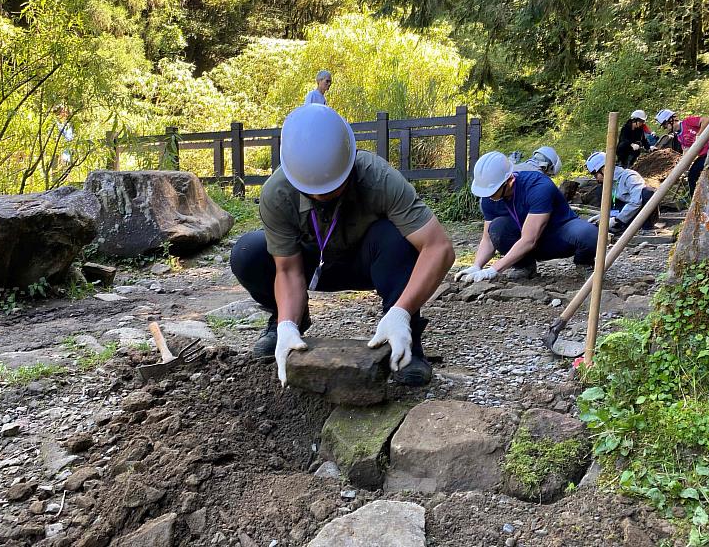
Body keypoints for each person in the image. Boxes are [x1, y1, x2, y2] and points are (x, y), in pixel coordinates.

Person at [230, 104, 455, 388]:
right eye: (311, 192)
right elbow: (287, 270)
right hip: (313, 267)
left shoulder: (378, 177)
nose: (322, 196)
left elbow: (438, 248)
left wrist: (401, 312)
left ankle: (406, 340)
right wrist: (287, 323)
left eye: (332, 189)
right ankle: (286, 325)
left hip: (370, 263)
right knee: (248, 252)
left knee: (400, 237)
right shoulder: (277, 192)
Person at [455, 152, 598, 283]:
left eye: (493, 191)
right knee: (497, 228)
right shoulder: (489, 197)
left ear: (509, 180)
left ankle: (583, 263)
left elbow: (530, 239)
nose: (489, 196)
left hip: (558, 237)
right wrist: (477, 266)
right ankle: (524, 266)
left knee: (589, 234)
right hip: (524, 243)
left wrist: (494, 269)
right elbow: (487, 239)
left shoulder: (538, 186)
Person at [584, 152, 659, 234]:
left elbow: (636, 202)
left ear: (604, 169)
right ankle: (621, 227)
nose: (596, 179)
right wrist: (603, 217)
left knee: (647, 193)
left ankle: (647, 228)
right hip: (625, 215)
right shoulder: (607, 184)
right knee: (599, 191)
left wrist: (618, 220)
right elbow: (615, 207)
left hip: (639, 212)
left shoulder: (630, 177)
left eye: (596, 175)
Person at [655, 109, 709, 196]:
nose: (665, 128)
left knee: (695, 175)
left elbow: (706, 120)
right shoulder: (679, 136)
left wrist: (699, 135)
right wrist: (684, 167)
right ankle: (695, 201)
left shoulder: (688, 122)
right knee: (692, 176)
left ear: (671, 120)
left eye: (665, 125)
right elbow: (687, 152)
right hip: (703, 156)